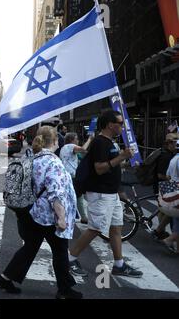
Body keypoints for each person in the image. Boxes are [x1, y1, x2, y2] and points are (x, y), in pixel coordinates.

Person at [0, 126, 81, 299]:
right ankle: (65, 290)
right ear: (55, 141)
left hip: (30, 213)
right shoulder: (53, 162)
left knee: (31, 247)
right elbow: (56, 193)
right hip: (47, 216)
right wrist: (61, 218)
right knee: (60, 250)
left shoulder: (31, 158)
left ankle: (5, 279)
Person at [68, 110, 143, 278]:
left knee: (116, 228)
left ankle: (119, 265)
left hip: (111, 193)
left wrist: (125, 164)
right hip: (101, 194)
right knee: (95, 229)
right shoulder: (100, 143)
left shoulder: (109, 143)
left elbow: (112, 166)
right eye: (120, 123)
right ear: (110, 124)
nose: (122, 127)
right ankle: (69, 259)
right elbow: (100, 168)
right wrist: (122, 155)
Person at [60, 133, 93, 224]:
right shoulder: (71, 146)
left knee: (76, 196)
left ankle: (81, 217)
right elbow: (82, 149)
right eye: (76, 139)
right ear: (72, 140)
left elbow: (82, 154)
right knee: (79, 196)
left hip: (66, 176)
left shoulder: (63, 148)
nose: (78, 140)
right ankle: (82, 217)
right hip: (72, 176)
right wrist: (89, 139)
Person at [151, 133, 179, 241]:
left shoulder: (171, 155)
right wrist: (172, 180)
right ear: (169, 143)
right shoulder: (166, 156)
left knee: (165, 210)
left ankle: (160, 231)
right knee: (168, 211)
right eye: (175, 140)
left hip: (165, 186)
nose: (176, 142)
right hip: (164, 186)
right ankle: (160, 231)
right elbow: (161, 175)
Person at [160, 151, 179, 255]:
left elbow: (167, 176)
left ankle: (178, 249)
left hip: (173, 192)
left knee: (177, 221)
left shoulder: (174, 159)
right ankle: (169, 240)